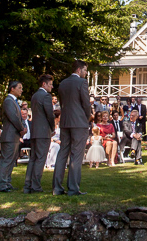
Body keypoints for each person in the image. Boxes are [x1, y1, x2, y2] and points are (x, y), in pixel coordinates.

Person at [53, 60, 91, 196]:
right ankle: (73, 188)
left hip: (65, 122)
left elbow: (62, 103)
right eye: (85, 71)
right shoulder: (82, 83)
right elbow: (86, 103)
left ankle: (57, 188)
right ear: (79, 70)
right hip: (79, 122)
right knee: (76, 155)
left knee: (62, 153)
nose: (86, 74)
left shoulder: (62, 83)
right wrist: (87, 117)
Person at [23, 74, 55, 194]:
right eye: (50, 84)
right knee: (41, 159)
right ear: (44, 84)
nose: (51, 87)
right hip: (43, 132)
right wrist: (52, 128)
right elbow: (50, 114)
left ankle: (28, 185)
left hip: (35, 131)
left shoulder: (35, 96)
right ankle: (35, 186)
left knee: (33, 159)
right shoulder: (46, 96)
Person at [0, 81, 27, 192]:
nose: (21, 90)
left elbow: (19, 118)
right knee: (6, 160)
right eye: (19, 87)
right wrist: (21, 128)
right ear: (12, 89)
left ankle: (7, 182)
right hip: (9, 135)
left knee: (11, 160)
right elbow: (13, 118)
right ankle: (2, 184)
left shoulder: (14, 102)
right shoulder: (8, 101)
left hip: (14, 136)